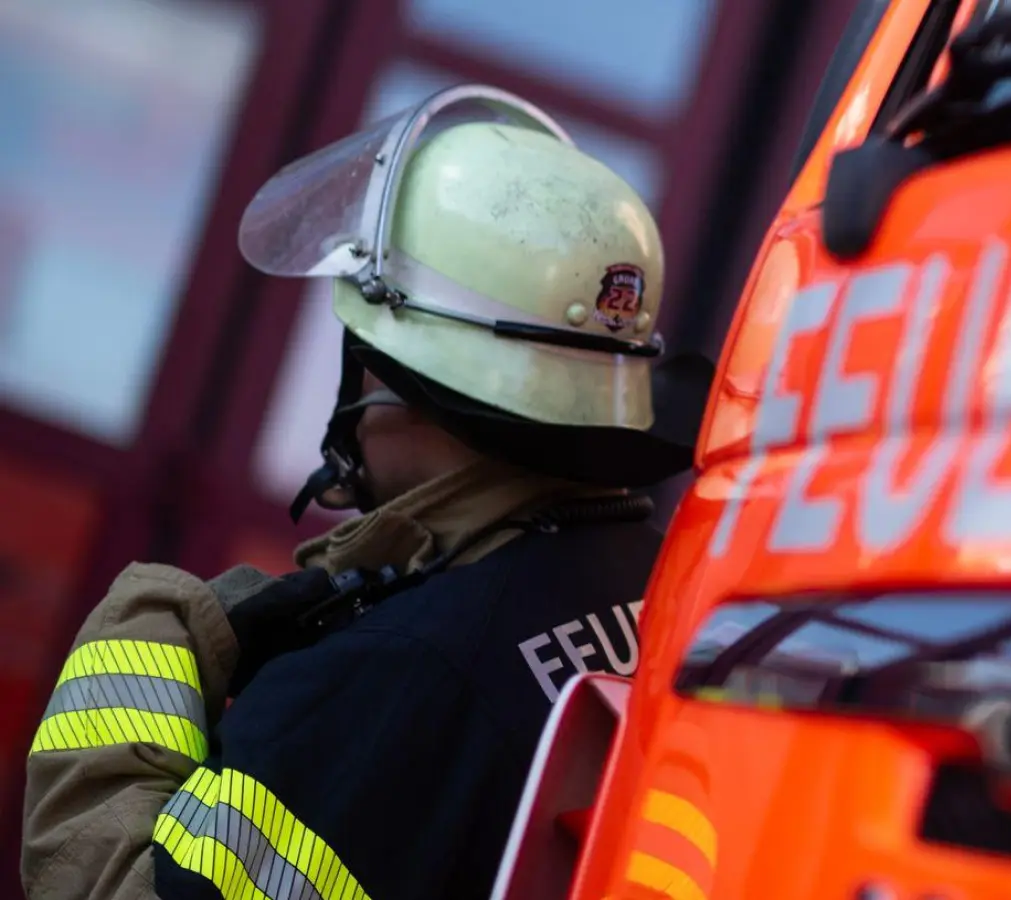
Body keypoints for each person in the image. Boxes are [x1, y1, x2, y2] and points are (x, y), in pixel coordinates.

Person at [20, 84, 710, 900]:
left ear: (410, 384)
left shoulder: (390, 677)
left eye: (361, 351)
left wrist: (151, 628)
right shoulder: (664, 582)